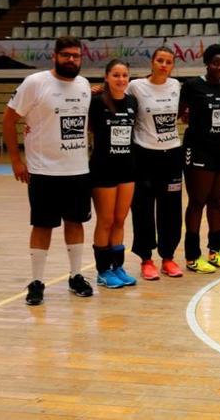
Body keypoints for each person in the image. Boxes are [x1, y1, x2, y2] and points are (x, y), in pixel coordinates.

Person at [2, 35, 94, 305]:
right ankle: (37, 281)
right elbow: (8, 121)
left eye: (76, 55)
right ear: (54, 56)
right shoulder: (35, 83)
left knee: (75, 223)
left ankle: (76, 275)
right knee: (42, 225)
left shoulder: (84, 84)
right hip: (43, 171)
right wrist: (16, 161)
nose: (71, 59)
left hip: (78, 169)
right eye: (66, 55)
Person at [128, 47, 184, 279]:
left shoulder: (177, 86)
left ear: (172, 66)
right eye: (160, 60)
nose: (163, 64)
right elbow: (116, 98)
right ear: (152, 62)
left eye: (168, 61)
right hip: (144, 154)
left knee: (171, 209)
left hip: (171, 154)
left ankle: (168, 257)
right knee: (143, 208)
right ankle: (146, 259)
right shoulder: (136, 86)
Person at [180, 44, 220, 273]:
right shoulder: (193, 85)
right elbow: (181, 113)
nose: (219, 67)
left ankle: (216, 251)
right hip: (198, 150)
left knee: (217, 201)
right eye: (215, 63)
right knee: (197, 201)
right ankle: (192, 255)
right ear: (207, 63)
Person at [88, 59, 138, 288]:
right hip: (103, 168)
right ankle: (103, 271)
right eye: (116, 75)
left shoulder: (132, 102)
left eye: (125, 75)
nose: (121, 79)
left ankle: (118, 267)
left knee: (120, 220)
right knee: (106, 220)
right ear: (107, 77)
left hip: (127, 168)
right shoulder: (96, 102)